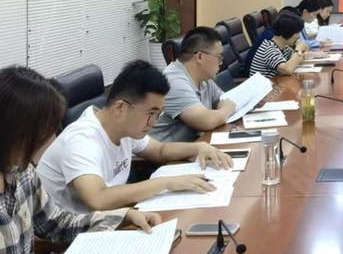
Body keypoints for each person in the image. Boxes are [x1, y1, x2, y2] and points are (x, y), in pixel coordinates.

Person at [0, 66, 162, 254]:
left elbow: (57, 224)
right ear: (12, 130)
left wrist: (122, 217)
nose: (49, 141)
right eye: (41, 133)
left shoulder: (22, 173)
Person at [37, 60, 232, 214]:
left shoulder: (123, 127)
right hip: (69, 234)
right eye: (151, 113)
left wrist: (199, 148)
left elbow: (160, 150)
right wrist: (166, 183)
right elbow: (98, 199)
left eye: (159, 114)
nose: (153, 122)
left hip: (110, 215)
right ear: (121, 107)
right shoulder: (81, 140)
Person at [151, 26, 236, 143]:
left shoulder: (204, 79)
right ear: (200, 57)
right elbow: (206, 121)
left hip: (192, 146)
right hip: (165, 153)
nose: (221, 63)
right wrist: (225, 110)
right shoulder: (174, 82)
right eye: (219, 57)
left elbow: (226, 100)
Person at [248, 12, 309, 78]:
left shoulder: (284, 47)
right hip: (264, 84)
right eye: (297, 33)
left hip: (276, 82)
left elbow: (297, 60)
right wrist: (298, 50)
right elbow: (287, 70)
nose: (299, 36)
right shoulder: (269, 49)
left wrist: (301, 52)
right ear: (287, 32)